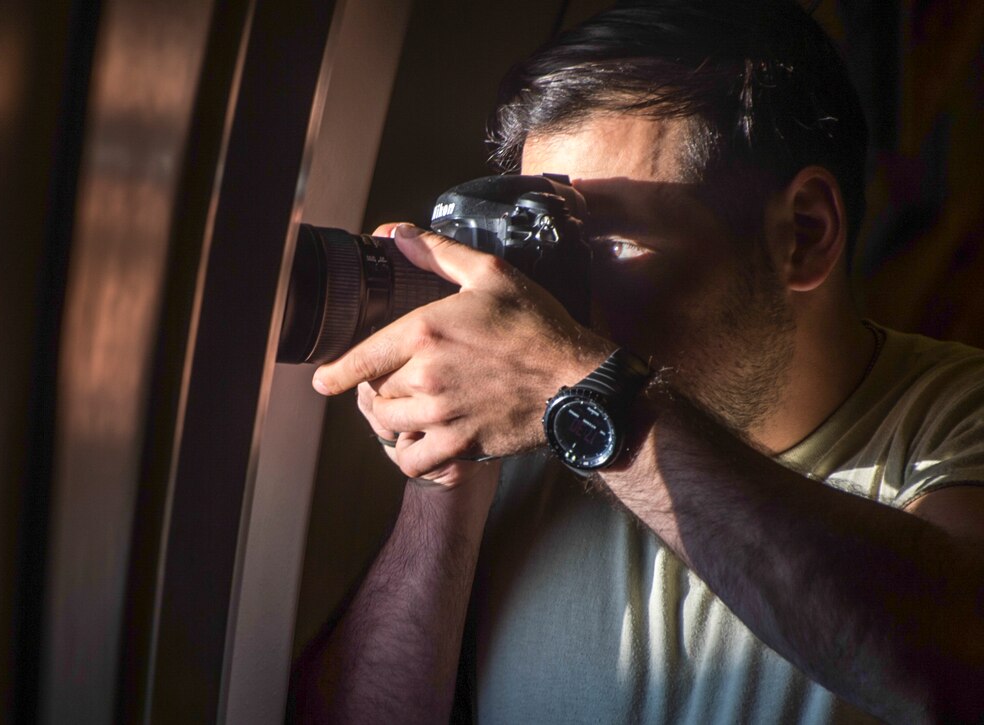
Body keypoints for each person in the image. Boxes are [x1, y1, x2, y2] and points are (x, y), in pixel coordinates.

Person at [291, 1, 984, 722]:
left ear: (804, 234)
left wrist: (590, 399)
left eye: (603, 244)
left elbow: (955, 671)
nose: (557, 311)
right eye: (546, 241)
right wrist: (445, 481)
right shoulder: (533, 435)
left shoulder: (955, 417)